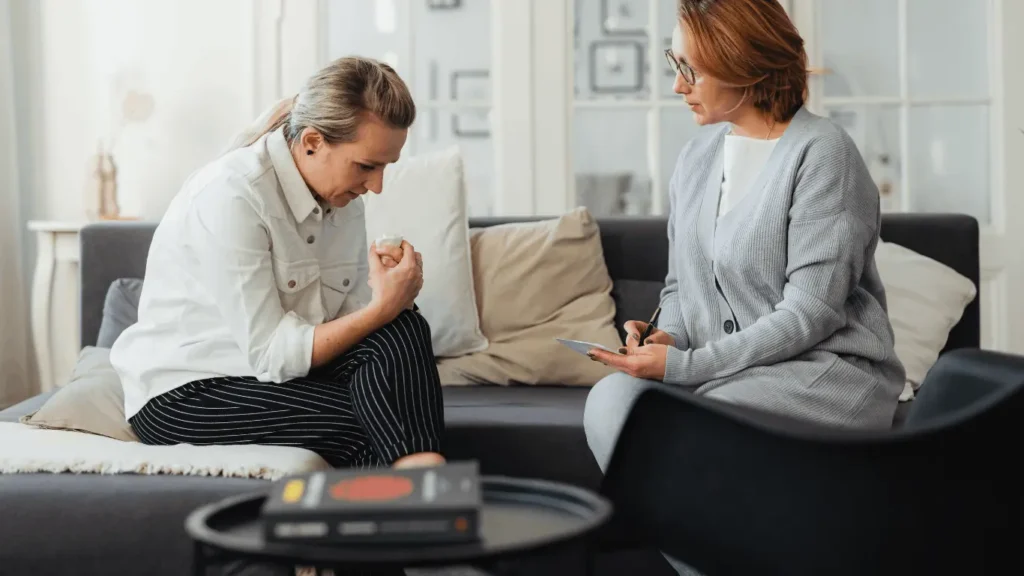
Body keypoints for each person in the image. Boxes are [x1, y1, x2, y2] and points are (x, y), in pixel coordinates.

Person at [585, 0, 905, 471]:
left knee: (701, 424)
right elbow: (680, 286)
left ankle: (691, 520)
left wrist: (684, 368)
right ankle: (697, 522)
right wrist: (669, 337)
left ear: (744, 66)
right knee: (611, 398)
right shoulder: (694, 159)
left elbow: (810, 314)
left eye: (692, 70)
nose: (678, 86)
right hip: (725, 373)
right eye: (676, 64)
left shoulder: (824, 153)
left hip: (817, 372)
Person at [110, 57, 446, 470]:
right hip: (188, 389)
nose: (375, 186)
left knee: (404, 327)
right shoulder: (233, 195)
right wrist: (381, 308)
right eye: (366, 166)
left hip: (278, 375)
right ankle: (425, 490)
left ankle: (423, 482)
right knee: (369, 422)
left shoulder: (343, 198)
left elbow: (352, 321)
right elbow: (271, 353)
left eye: (385, 167)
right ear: (312, 142)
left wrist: (392, 293)